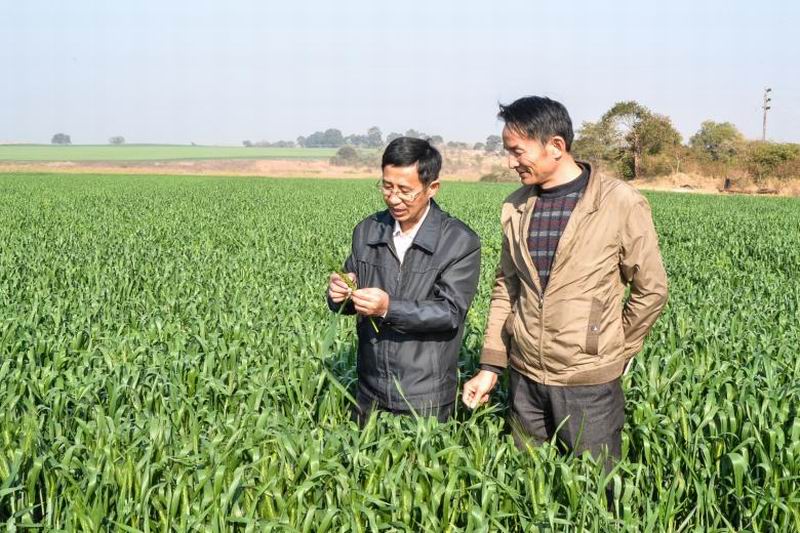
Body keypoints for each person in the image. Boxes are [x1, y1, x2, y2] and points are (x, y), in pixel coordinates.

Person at [462, 96, 668, 470]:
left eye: (517, 151)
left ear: (556, 146)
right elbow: (506, 288)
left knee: (595, 488)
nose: (510, 162)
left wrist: (610, 348)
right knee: (528, 484)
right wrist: (491, 365)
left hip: (589, 384)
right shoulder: (516, 206)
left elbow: (650, 289)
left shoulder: (619, 202)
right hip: (525, 378)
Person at [328, 137, 481, 424]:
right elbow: (351, 291)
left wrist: (389, 308)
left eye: (405, 191)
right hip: (369, 390)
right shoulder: (367, 231)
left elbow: (450, 312)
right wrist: (339, 294)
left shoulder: (459, 241)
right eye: (387, 187)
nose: (394, 198)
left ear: (432, 188)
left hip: (425, 396)